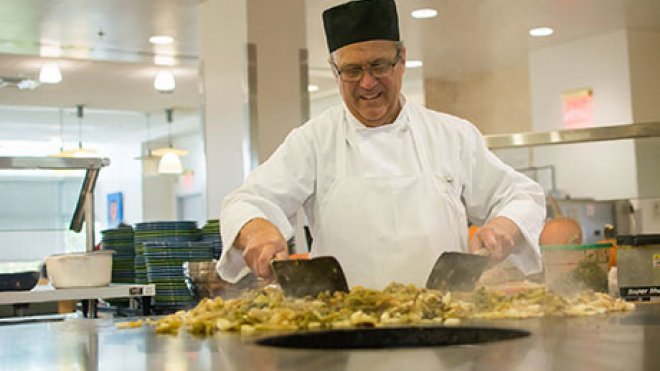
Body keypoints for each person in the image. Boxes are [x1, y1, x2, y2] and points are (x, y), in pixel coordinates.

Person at [217, 0, 546, 289]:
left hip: (446, 326)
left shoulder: (453, 135)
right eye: (352, 70)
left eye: (378, 65)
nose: (367, 82)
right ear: (335, 70)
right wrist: (257, 229)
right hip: (343, 332)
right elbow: (246, 201)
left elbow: (521, 194)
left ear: (401, 59)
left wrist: (506, 224)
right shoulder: (314, 141)